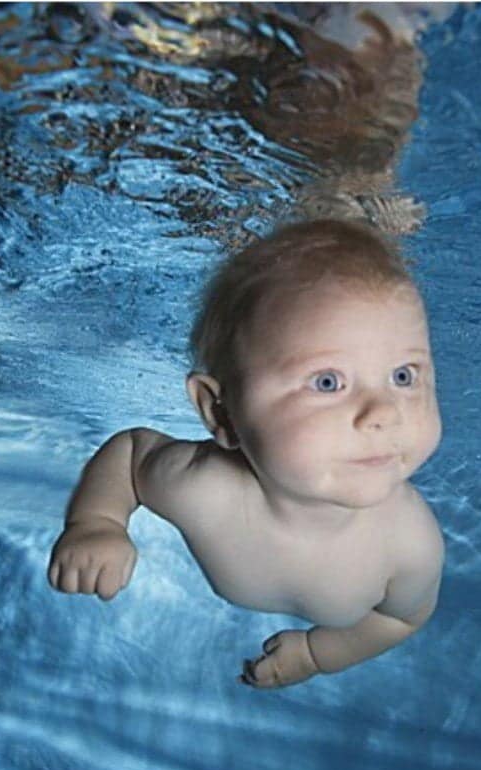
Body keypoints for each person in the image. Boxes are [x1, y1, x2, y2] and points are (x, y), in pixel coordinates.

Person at [48, 219, 444, 689]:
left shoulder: (410, 546)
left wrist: (319, 654)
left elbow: (401, 619)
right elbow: (132, 453)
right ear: (222, 413)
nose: (384, 412)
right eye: (327, 382)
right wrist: (97, 522)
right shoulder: (203, 489)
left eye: (404, 376)